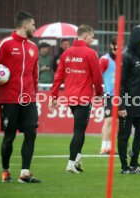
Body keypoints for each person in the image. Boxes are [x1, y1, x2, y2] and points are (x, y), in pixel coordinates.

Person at [0, 11, 42, 183]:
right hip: (9, 100)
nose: (34, 28)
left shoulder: (33, 47)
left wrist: (34, 95)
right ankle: (6, 170)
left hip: (28, 99)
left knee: (31, 133)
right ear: (25, 25)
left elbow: (34, 74)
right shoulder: (5, 44)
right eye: (33, 24)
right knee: (9, 137)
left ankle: (24, 173)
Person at [49, 24, 103, 174]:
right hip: (84, 97)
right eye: (92, 37)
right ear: (85, 36)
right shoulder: (91, 53)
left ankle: (77, 160)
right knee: (79, 130)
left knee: (80, 129)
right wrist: (99, 93)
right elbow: (97, 77)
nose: (92, 39)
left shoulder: (66, 53)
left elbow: (58, 76)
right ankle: (71, 163)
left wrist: (54, 96)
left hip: (70, 97)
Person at [118, 25, 140, 174]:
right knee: (124, 136)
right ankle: (124, 167)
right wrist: (121, 106)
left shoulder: (139, 56)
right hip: (127, 104)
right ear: (138, 40)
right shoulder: (125, 57)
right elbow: (120, 84)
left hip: (139, 104)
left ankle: (134, 163)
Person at [99, 37, 117, 155]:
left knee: (114, 122)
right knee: (108, 120)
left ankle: (110, 148)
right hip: (108, 94)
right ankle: (103, 147)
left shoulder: (121, 60)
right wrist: (100, 91)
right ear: (112, 45)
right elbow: (97, 75)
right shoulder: (105, 59)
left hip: (119, 95)